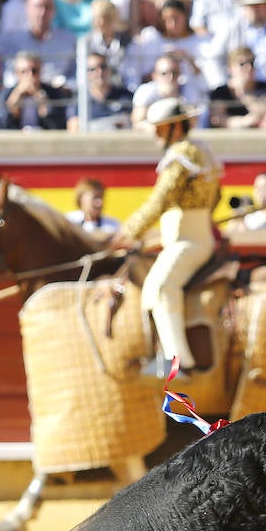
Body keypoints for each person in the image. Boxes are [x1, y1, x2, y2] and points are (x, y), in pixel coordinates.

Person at [109, 96, 222, 379]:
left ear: (174, 128)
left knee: (161, 288)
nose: (156, 134)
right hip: (193, 235)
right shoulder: (202, 151)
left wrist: (127, 232)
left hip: (187, 242)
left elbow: (159, 202)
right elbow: (216, 195)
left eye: (160, 128)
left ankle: (178, 363)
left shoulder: (180, 158)